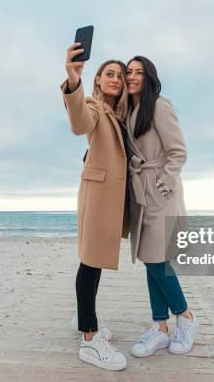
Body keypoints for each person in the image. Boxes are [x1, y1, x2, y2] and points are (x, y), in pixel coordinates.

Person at [61, 43, 131, 371]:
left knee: (95, 261)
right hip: (99, 195)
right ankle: (90, 340)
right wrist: (73, 80)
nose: (116, 78)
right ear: (99, 81)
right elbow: (79, 123)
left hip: (109, 199)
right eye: (109, 74)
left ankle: (85, 317)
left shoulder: (120, 115)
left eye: (120, 74)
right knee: (90, 263)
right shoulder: (94, 106)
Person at [124, 56, 199, 358]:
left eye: (138, 72)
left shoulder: (159, 105)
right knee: (149, 257)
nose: (131, 77)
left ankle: (186, 316)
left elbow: (178, 151)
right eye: (129, 72)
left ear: (149, 76)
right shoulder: (130, 109)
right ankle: (160, 327)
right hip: (140, 191)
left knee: (158, 260)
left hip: (159, 192)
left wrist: (163, 184)